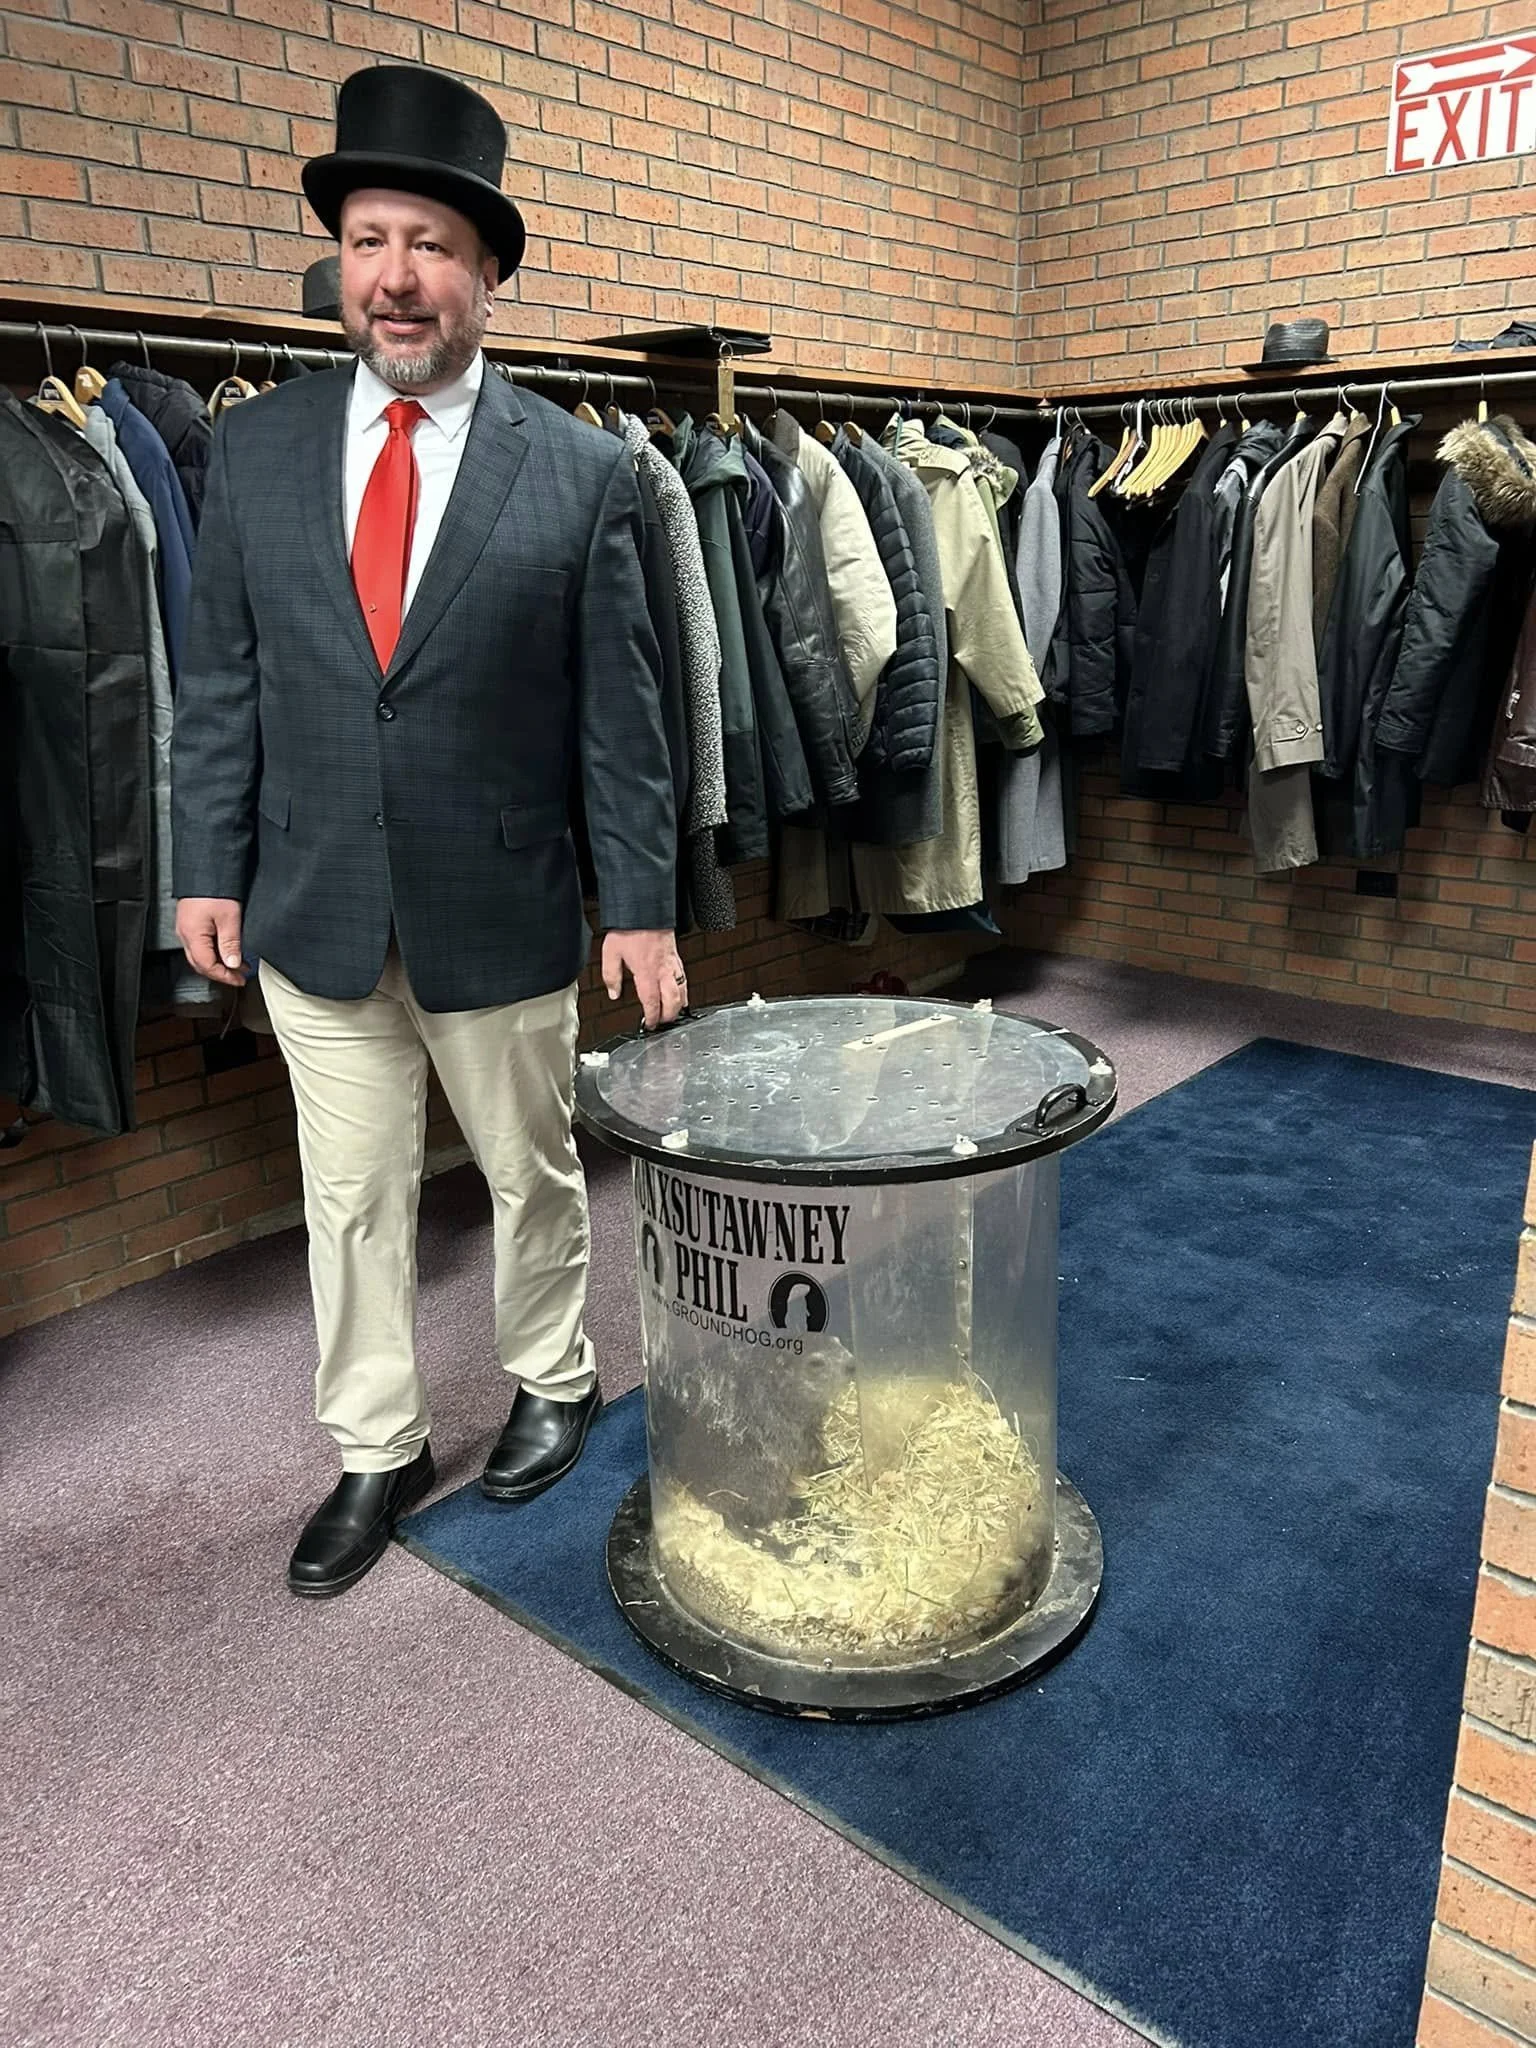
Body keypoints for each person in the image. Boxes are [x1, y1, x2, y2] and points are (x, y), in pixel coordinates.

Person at [172, 63, 687, 1599]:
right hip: (311, 899)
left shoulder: (589, 473)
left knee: (529, 1171)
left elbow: (626, 717)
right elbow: (222, 682)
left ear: (491, 275)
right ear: (340, 257)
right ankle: (377, 1444)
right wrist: (207, 860)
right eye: (373, 239)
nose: (398, 277)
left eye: (435, 246)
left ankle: (550, 1375)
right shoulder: (250, 453)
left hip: (503, 898)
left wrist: (641, 900)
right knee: (353, 1193)